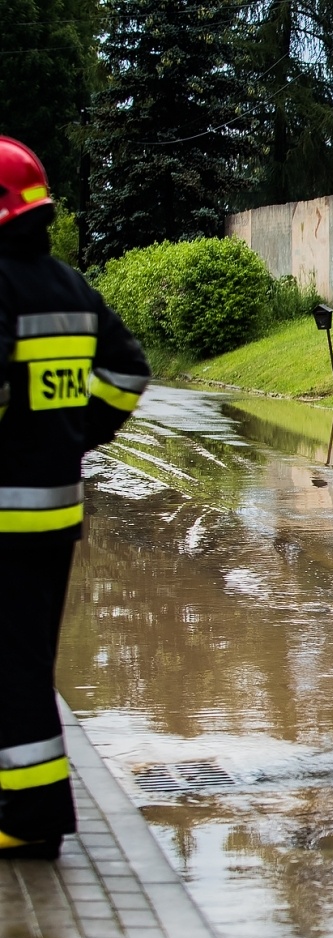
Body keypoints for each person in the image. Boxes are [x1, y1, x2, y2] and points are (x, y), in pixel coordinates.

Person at [0, 135, 149, 859]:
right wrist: (74, 436)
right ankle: (32, 808)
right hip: (54, 507)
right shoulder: (67, 285)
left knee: (12, 667)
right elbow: (127, 371)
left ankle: (31, 818)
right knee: (24, 659)